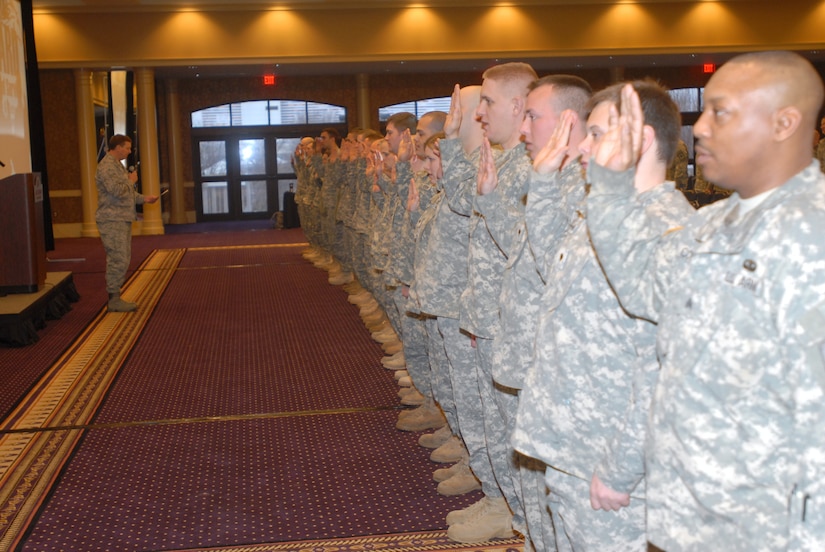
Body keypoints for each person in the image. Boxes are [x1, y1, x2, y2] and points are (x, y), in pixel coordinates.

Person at [585, 51, 825, 551]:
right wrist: (608, 187)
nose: (701, 130)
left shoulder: (810, 237)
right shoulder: (715, 223)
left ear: (785, 122)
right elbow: (640, 285)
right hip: (694, 512)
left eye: (722, 112)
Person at [513, 80, 682, 551]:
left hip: (611, 467)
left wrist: (620, 470)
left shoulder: (663, 230)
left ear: (641, 140)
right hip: (576, 448)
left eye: (598, 133)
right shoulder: (608, 215)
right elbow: (553, 271)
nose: (583, 146)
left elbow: (663, 369)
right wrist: (544, 185)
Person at [95, 134, 158, 313]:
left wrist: (145, 199)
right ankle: (113, 299)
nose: (129, 152)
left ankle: (116, 296)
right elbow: (116, 191)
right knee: (118, 259)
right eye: (127, 148)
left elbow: (127, 193)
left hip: (120, 217)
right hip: (111, 219)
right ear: (118, 147)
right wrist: (131, 181)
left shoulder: (117, 167)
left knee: (123, 258)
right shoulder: (107, 166)